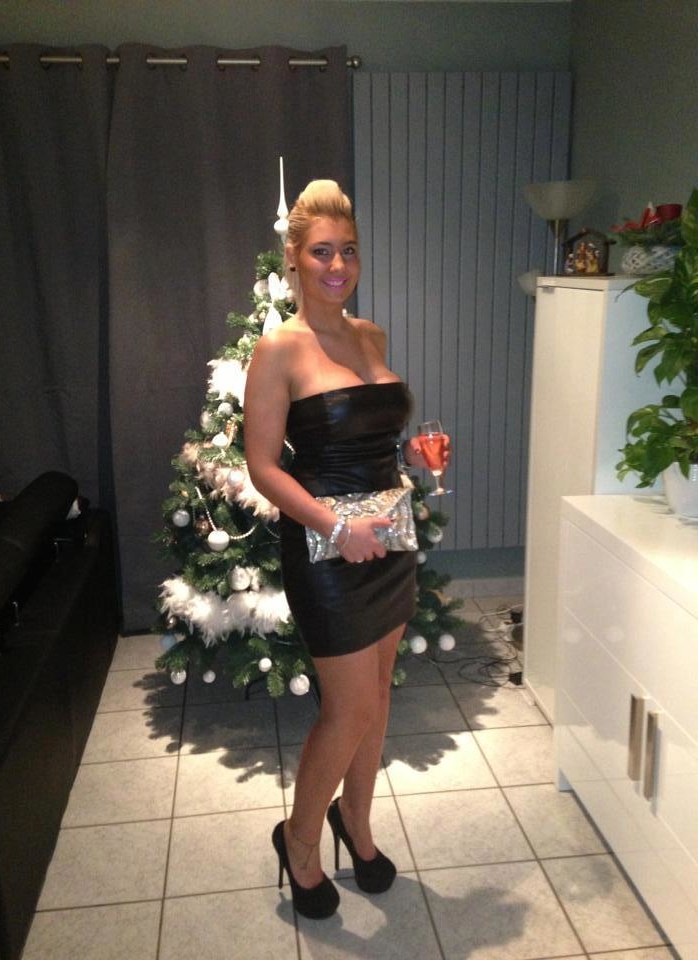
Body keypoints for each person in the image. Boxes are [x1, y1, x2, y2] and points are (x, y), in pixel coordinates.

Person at [243, 179, 450, 919]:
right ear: (295, 259)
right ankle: (299, 840)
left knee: (379, 693)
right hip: (325, 549)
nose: (338, 266)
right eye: (323, 252)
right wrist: (334, 527)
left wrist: (415, 457)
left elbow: (375, 437)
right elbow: (263, 466)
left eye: (349, 251)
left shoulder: (371, 337)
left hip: (388, 538)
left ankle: (355, 824)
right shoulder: (279, 349)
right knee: (348, 709)